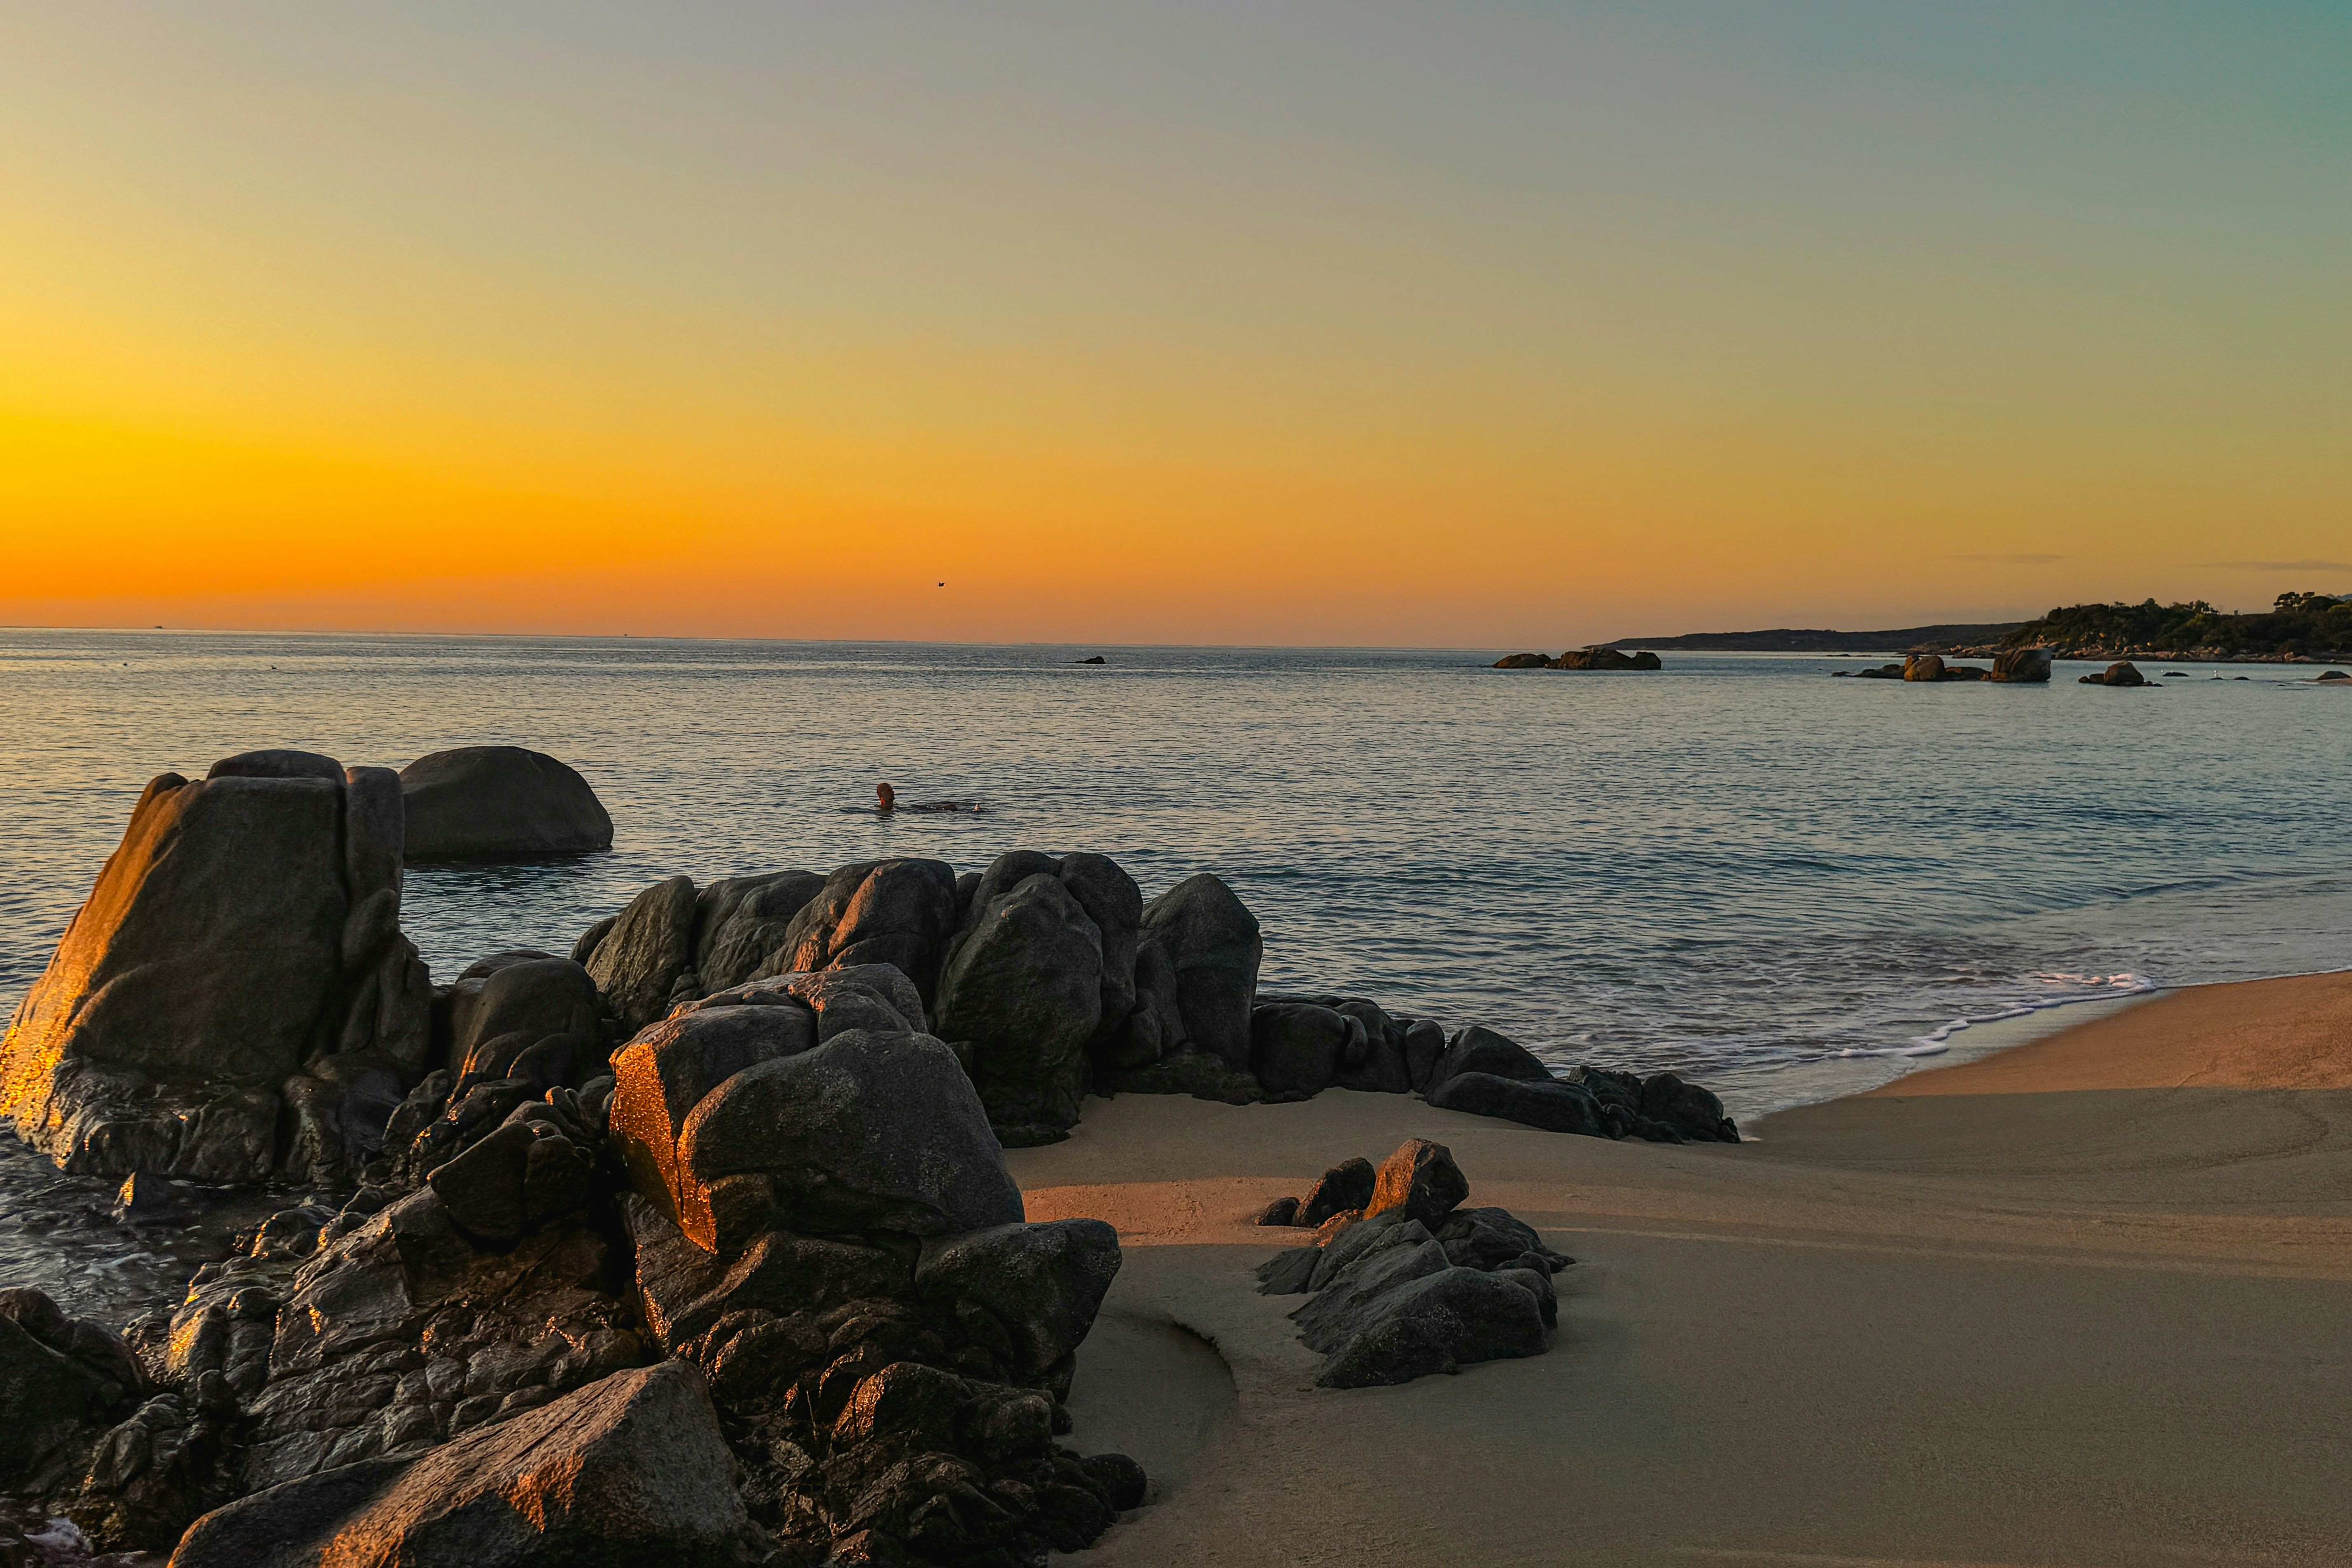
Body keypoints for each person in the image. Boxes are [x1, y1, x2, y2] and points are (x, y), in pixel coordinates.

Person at [877, 782, 980, 814]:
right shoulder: (885, 810)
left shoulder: (895, 807)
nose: (893, 792)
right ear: (881, 795)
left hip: (912, 809)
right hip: (912, 812)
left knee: (948, 807)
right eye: (889, 791)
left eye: (892, 790)